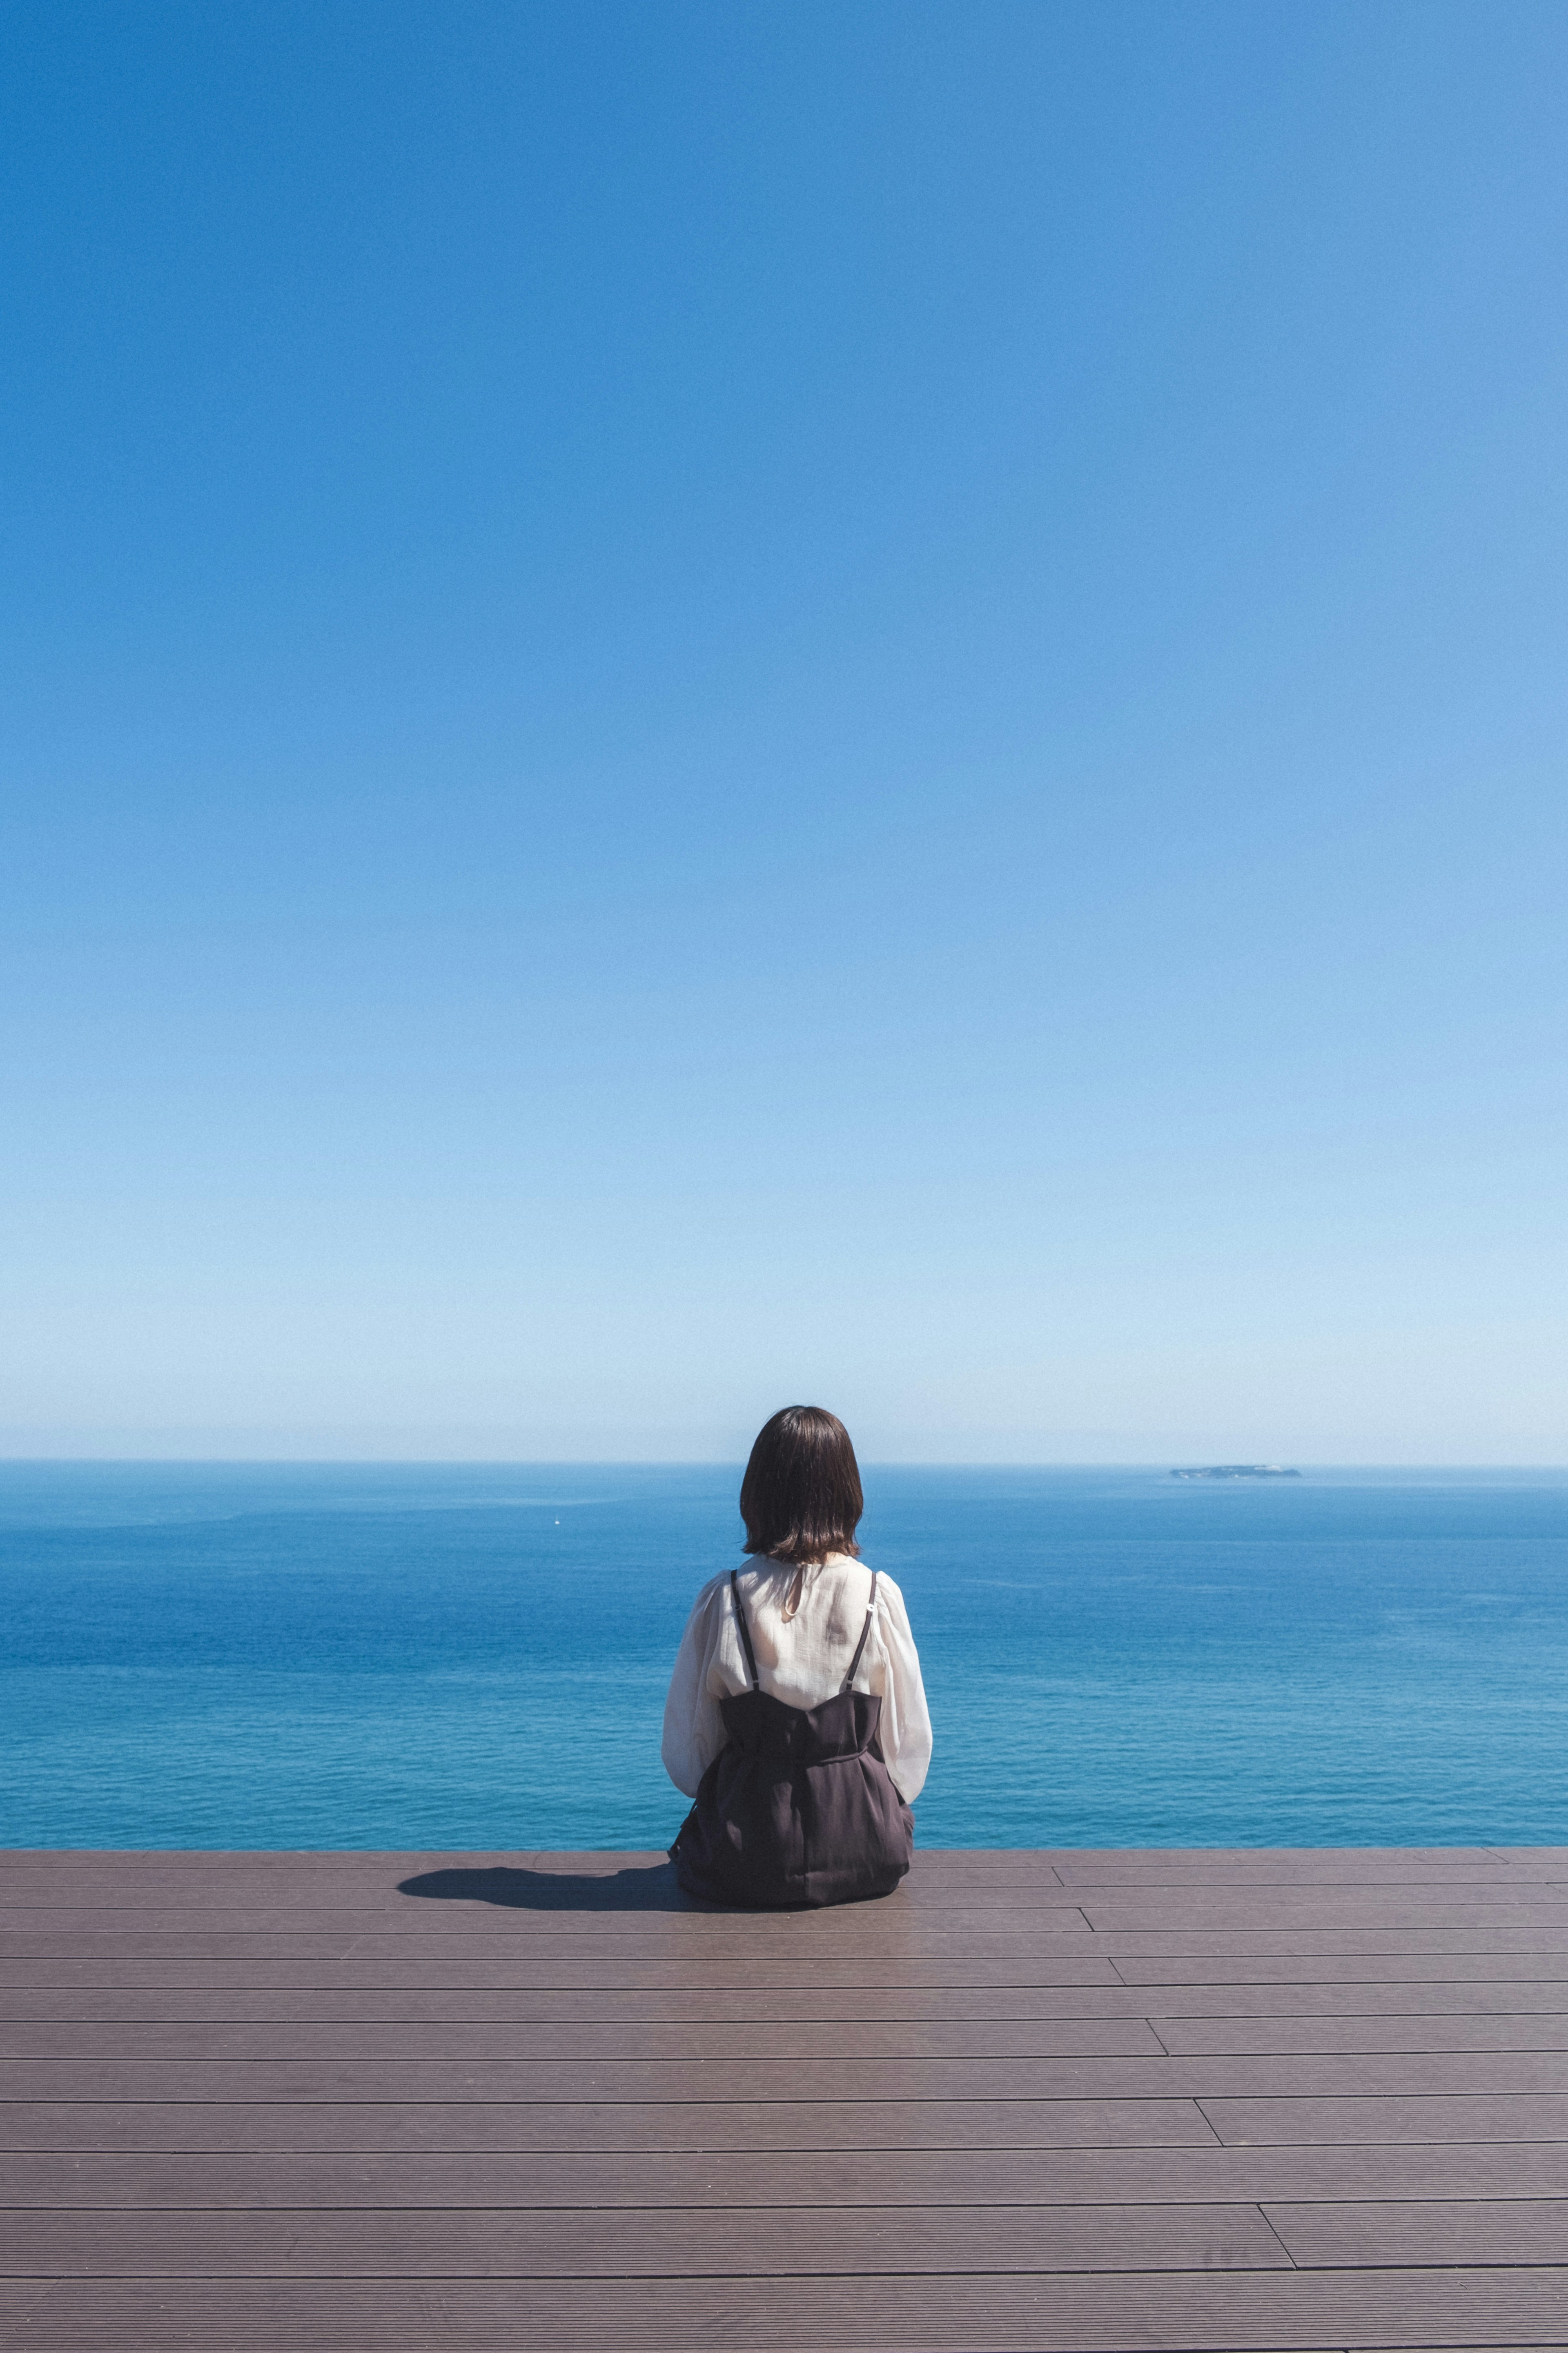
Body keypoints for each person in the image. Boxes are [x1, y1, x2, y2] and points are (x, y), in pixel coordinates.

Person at [663, 1405, 932, 1907]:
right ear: (848, 1490)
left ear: (758, 1491)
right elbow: (907, 1752)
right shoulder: (877, 1595)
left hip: (745, 1859)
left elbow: (689, 1757)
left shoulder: (724, 1598)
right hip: (866, 1852)